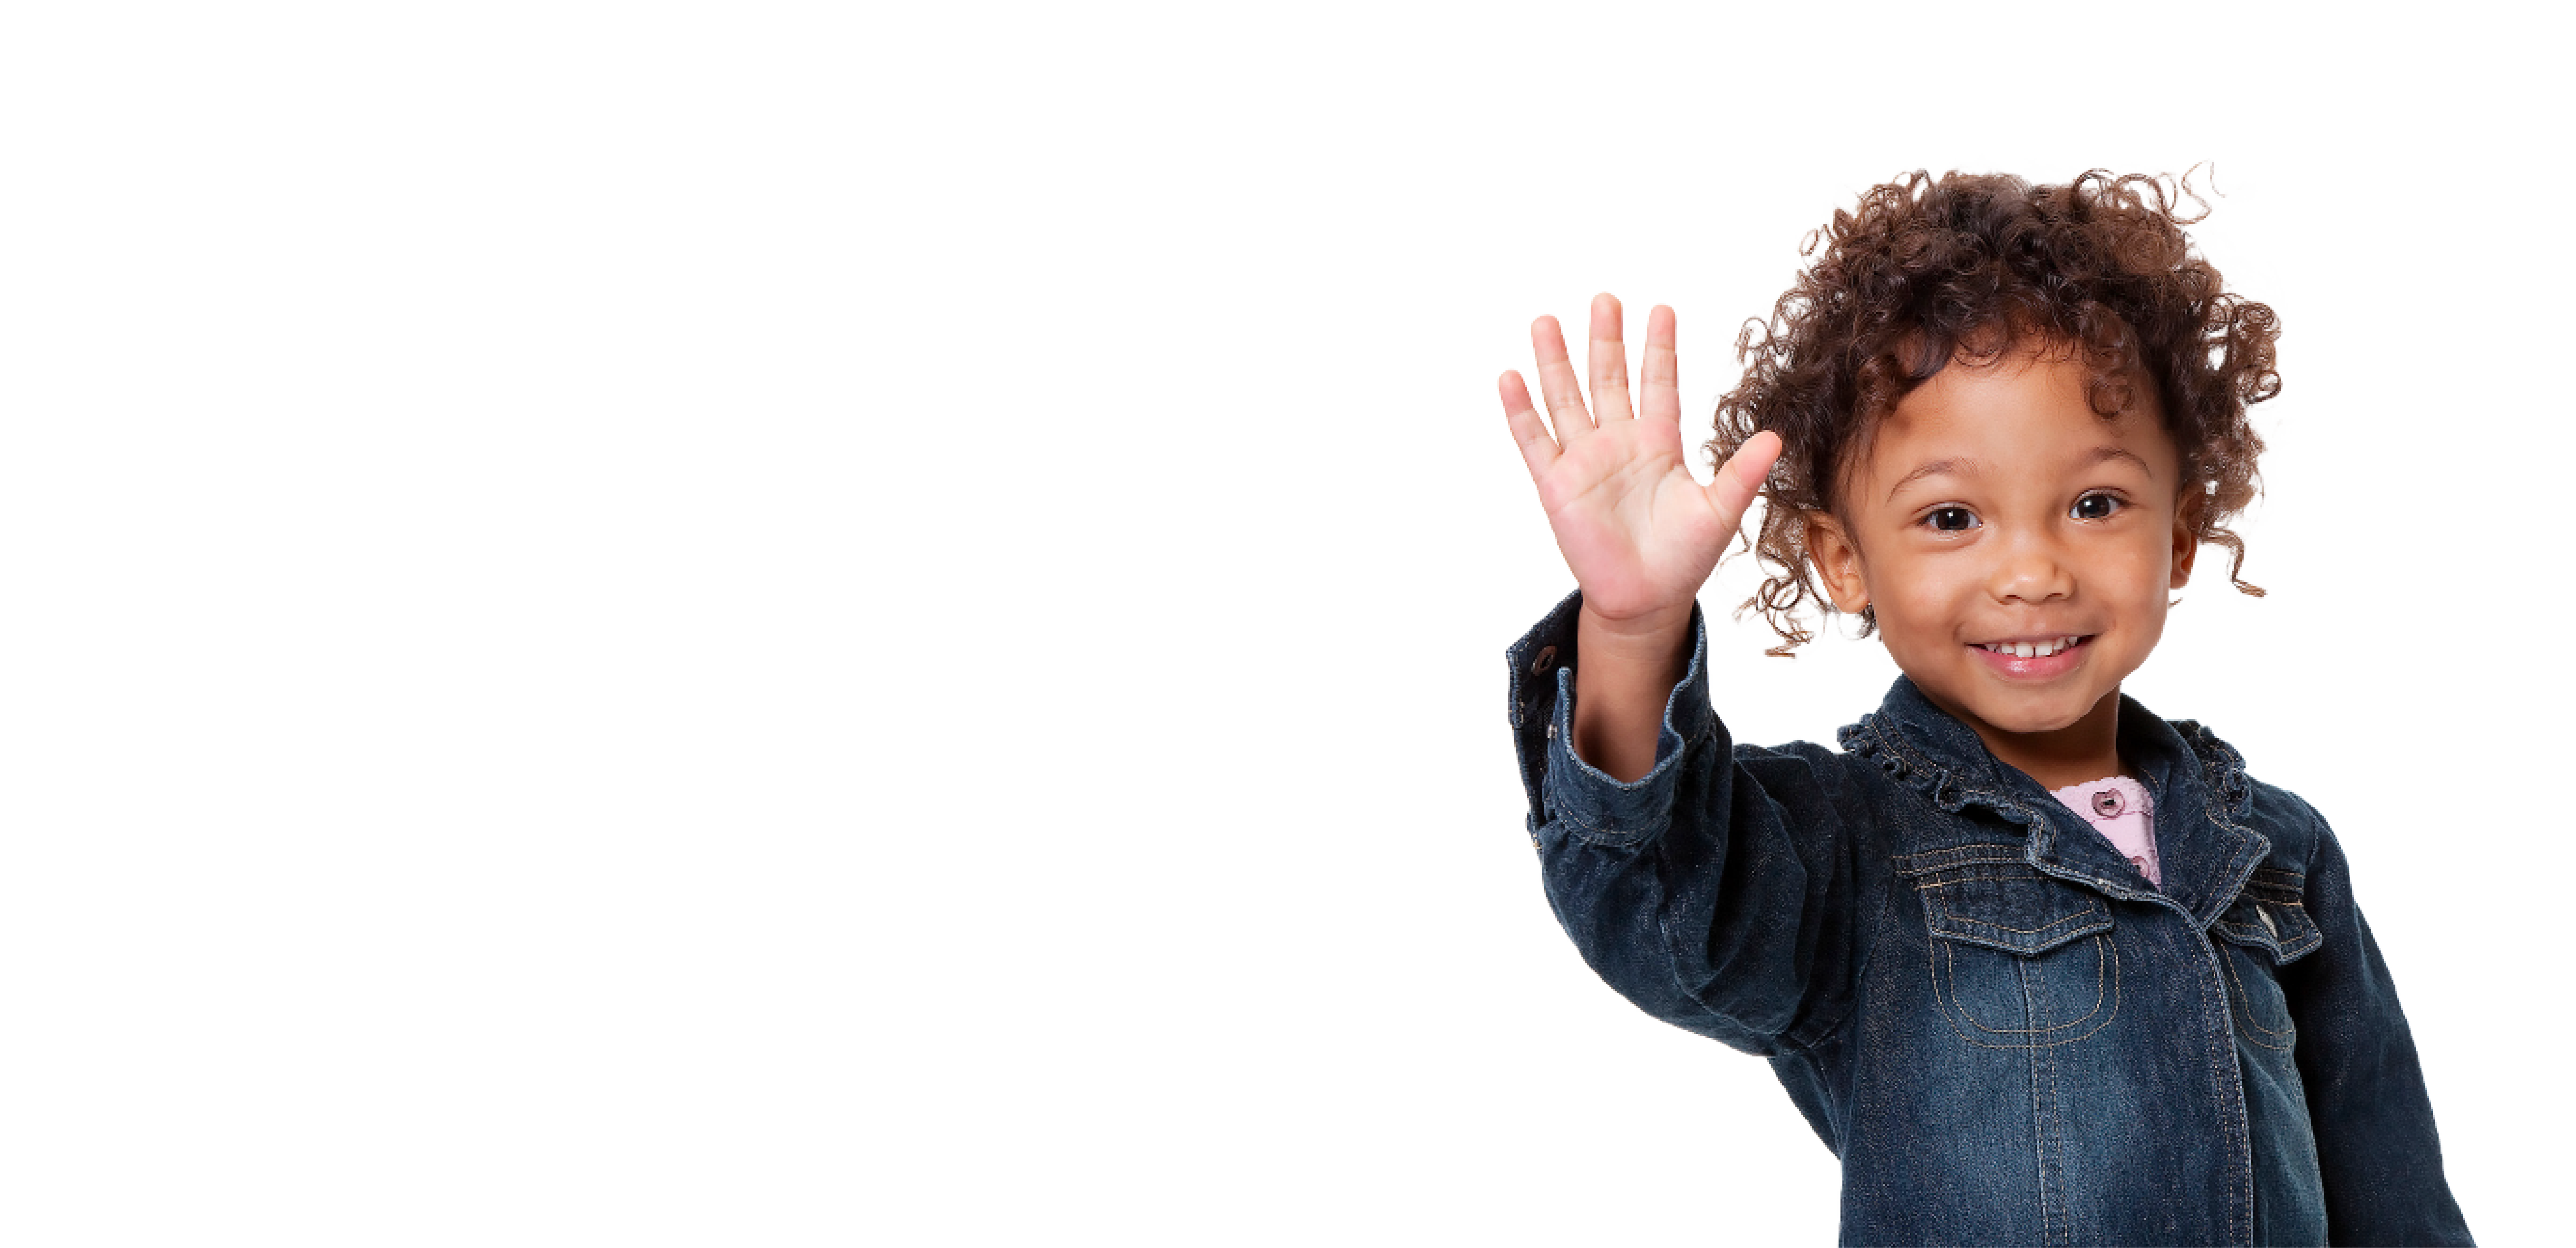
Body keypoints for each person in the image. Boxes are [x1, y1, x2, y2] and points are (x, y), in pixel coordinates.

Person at [1494, 165, 2472, 1246]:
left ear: (2182, 535)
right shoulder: (1849, 846)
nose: (2033, 571)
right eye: (1953, 516)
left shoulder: (2277, 851)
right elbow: (1664, 903)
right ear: (1844, 558)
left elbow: (2395, 1198)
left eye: (2095, 504)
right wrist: (1632, 629)